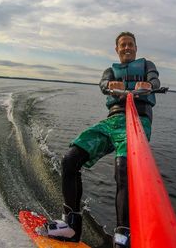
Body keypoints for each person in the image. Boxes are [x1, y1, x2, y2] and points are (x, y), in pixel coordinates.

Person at [36, 32, 161, 248]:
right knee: (70, 159)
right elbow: (103, 83)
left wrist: (149, 85)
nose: (127, 48)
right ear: (117, 49)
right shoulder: (110, 71)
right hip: (112, 123)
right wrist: (110, 86)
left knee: (123, 170)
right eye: (123, 45)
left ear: (136, 48)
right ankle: (71, 225)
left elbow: (155, 79)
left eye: (130, 44)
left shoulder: (147, 65)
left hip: (136, 123)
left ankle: (123, 236)